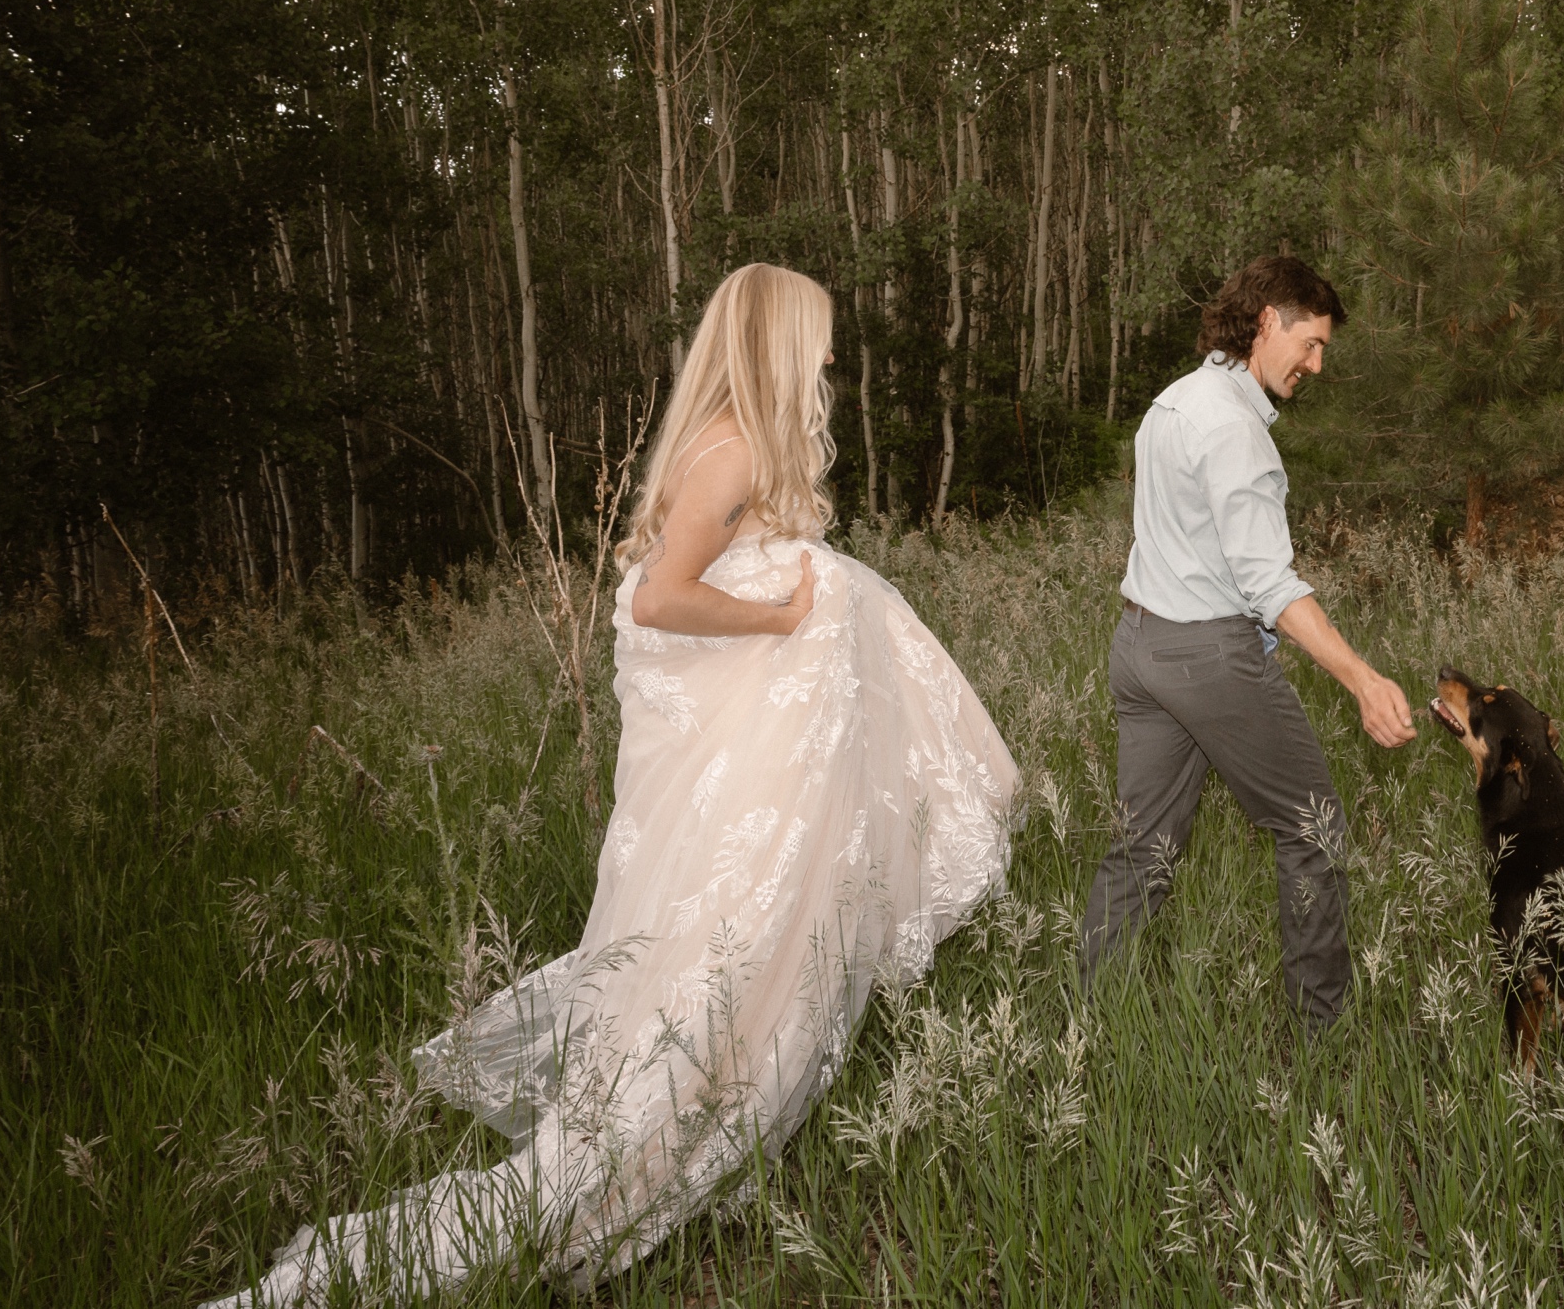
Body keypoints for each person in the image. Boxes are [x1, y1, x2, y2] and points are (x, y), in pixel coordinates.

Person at [205, 264, 1017, 1305]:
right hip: (757, 759)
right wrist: (779, 620)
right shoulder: (726, 452)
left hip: (781, 759)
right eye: (819, 334)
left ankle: (722, 1078)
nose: (830, 352)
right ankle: (647, 1138)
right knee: (727, 947)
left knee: (764, 947)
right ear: (776, 339)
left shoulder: (750, 447)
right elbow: (661, 602)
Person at [1078, 255, 1415, 1027]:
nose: (1317, 364)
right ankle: (1320, 1031)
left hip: (1140, 649)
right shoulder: (1234, 430)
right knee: (1315, 831)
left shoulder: (1173, 402)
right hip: (1209, 661)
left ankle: (1091, 1022)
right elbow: (1270, 584)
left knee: (1144, 850)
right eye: (1311, 343)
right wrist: (1364, 680)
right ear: (1268, 322)